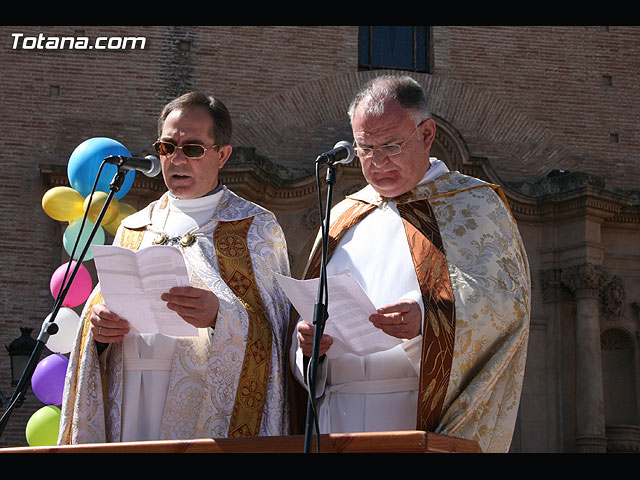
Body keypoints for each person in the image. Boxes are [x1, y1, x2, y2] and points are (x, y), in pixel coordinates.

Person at [288, 75, 530, 453]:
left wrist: (427, 318)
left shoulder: (475, 206)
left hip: (416, 417)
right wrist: (306, 345)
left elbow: (506, 303)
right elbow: (306, 310)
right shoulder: (341, 217)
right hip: (333, 421)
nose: (377, 162)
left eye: (391, 145)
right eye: (365, 148)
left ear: (427, 133)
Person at [59, 92, 291, 444]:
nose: (177, 159)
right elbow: (102, 310)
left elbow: (277, 328)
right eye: (167, 147)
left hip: (204, 402)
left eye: (193, 149)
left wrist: (220, 315)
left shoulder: (255, 227)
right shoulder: (135, 227)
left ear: (222, 154)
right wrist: (99, 330)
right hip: (130, 393)